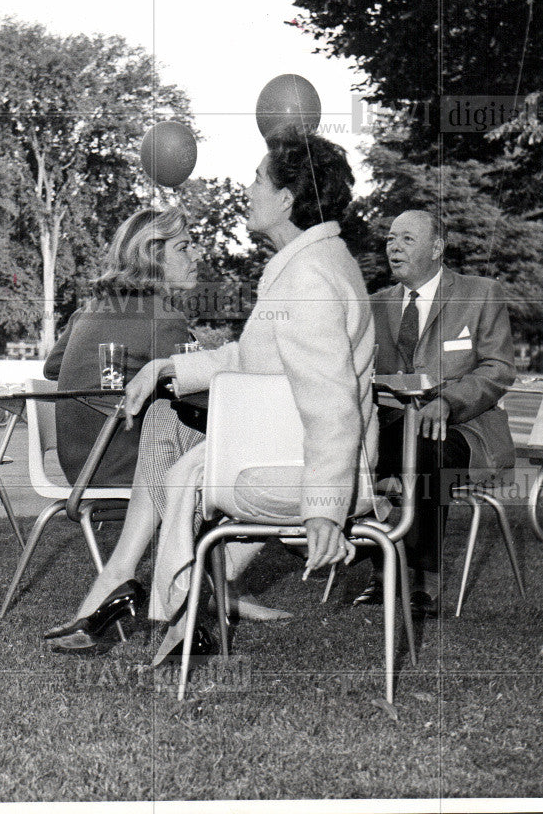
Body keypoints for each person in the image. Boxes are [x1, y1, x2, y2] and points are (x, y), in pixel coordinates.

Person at [46, 132, 387, 659]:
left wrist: (323, 508)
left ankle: (164, 601)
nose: (247, 189)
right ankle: (182, 611)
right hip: (288, 452)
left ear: (285, 200)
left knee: (177, 446)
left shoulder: (310, 278)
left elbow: (333, 407)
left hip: (309, 470)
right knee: (177, 447)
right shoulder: (307, 264)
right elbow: (252, 358)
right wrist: (166, 366)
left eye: (256, 179)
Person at [354, 210, 516, 617]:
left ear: (437, 247)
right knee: (351, 454)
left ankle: (420, 582)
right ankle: (368, 556)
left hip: (465, 430)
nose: (393, 247)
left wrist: (448, 401)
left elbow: (498, 368)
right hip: (392, 425)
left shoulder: (481, 293)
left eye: (407, 239)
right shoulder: (374, 305)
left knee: (427, 454)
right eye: (391, 239)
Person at [43, 206, 202, 488]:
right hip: (128, 468)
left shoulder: (89, 310)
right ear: (153, 257)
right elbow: (197, 397)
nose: (196, 256)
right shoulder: (163, 317)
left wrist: (114, 380)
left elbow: (53, 368)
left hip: (81, 469)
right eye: (183, 248)